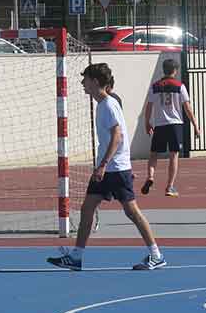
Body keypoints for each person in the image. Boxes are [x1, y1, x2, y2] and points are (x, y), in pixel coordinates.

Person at [48, 63, 165, 271]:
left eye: (85, 80)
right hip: (107, 169)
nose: (83, 84)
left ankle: (156, 255)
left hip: (114, 169)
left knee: (132, 212)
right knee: (87, 209)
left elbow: (117, 136)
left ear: (94, 82)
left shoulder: (108, 105)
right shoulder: (102, 105)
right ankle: (76, 257)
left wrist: (104, 165)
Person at [141, 59, 200, 197]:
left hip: (160, 125)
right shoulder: (180, 86)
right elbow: (187, 108)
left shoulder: (155, 86)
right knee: (174, 155)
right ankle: (169, 186)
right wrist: (195, 125)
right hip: (175, 124)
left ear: (163, 69)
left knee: (154, 154)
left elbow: (148, 107)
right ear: (175, 70)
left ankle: (150, 176)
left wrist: (147, 123)